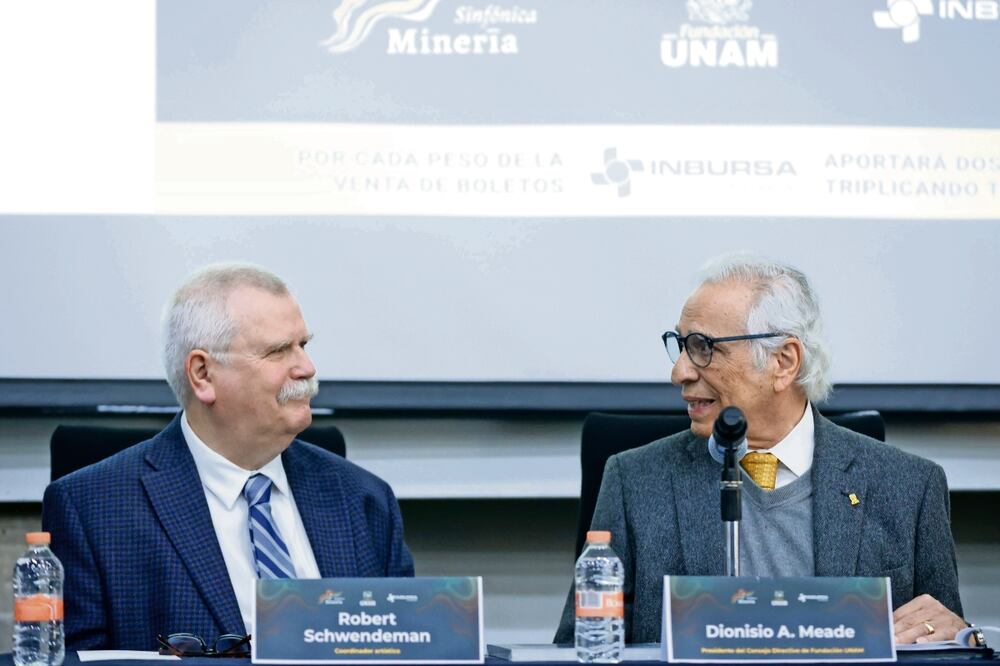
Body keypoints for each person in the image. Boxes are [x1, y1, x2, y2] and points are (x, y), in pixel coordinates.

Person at [555, 254, 969, 646]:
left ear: (783, 361)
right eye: (679, 345)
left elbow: (951, 642)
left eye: (703, 347)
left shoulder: (909, 487)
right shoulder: (636, 482)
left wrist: (956, 632)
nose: (679, 371)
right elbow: (579, 648)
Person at [43, 264, 414, 650]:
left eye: (302, 345)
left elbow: (408, 649)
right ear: (202, 373)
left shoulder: (364, 499)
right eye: (277, 351)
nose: (306, 368)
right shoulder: (95, 511)